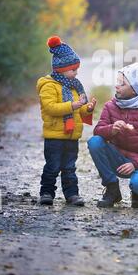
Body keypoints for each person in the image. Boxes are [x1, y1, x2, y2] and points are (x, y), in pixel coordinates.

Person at [87, 62, 138, 208]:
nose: (117, 86)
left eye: (122, 84)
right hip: (118, 158)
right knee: (95, 141)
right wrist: (111, 129)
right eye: (117, 82)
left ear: (135, 89)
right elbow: (98, 131)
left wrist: (135, 164)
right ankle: (112, 189)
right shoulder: (110, 106)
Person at [37, 36, 96, 206]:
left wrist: (88, 108)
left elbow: (78, 110)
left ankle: (72, 194)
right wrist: (72, 105)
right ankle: (47, 193)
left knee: (69, 167)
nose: (76, 73)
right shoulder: (49, 86)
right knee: (53, 166)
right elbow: (50, 108)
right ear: (61, 69)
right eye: (73, 70)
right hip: (55, 135)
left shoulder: (75, 86)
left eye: (76, 69)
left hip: (71, 135)